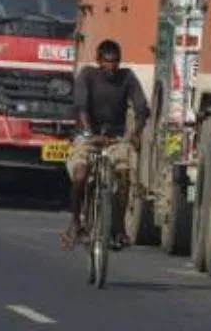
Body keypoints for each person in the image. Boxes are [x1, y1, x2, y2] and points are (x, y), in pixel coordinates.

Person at [63, 39, 149, 250]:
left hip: (115, 138)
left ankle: (118, 227)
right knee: (81, 174)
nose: (111, 66)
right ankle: (76, 222)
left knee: (124, 174)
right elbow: (81, 106)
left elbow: (141, 107)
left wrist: (136, 132)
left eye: (115, 62)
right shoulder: (87, 75)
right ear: (98, 60)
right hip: (88, 135)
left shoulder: (127, 77)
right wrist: (89, 133)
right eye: (107, 61)